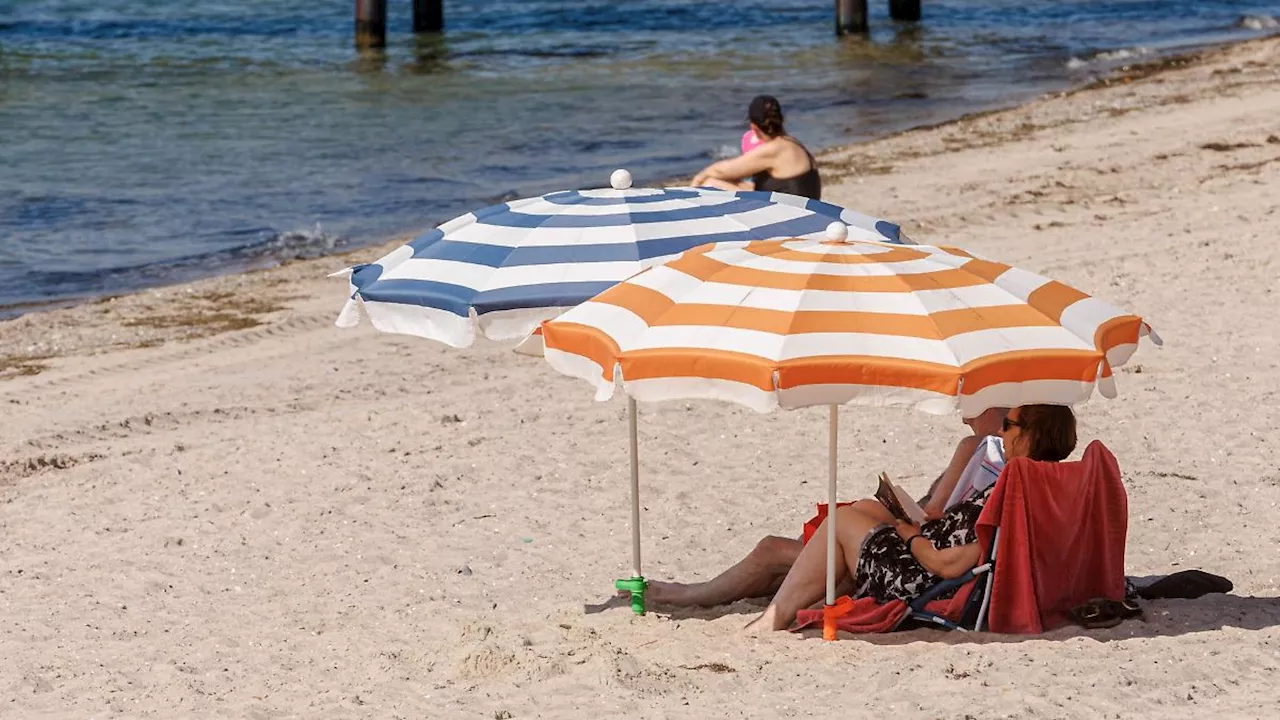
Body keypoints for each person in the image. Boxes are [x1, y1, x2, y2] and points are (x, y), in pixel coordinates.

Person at [745, 404, 1078, 633]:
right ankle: (802, 594)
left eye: (1008, 424)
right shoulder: (1037, 486)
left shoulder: (1012, 494)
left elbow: (946, 565)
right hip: (928, 560)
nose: (1001, 431)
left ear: (1028, 437)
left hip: (922, 580)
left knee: (841, 519)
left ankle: (776, 617)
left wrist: (910, 536)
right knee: (865, 509)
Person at [636, 407, 1010, 609]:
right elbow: (938, 516)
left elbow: (934, 519)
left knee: (775, 549)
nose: (964, 415)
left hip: (922, 565)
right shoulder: (1006, 470)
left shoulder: (985, 457)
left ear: (1002, 410)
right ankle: (706, 592)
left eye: (973, 407)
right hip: (930, 553)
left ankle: (690, 595)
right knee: (835, 526)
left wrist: (908, 527)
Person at [692, 95, 822, 199]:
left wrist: (697, 180)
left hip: (791, 216)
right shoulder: (792, 143)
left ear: (753, 127)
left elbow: (720, 171)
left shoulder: (774, 149)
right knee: (734, 183)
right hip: (801, 208)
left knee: (709, 183)